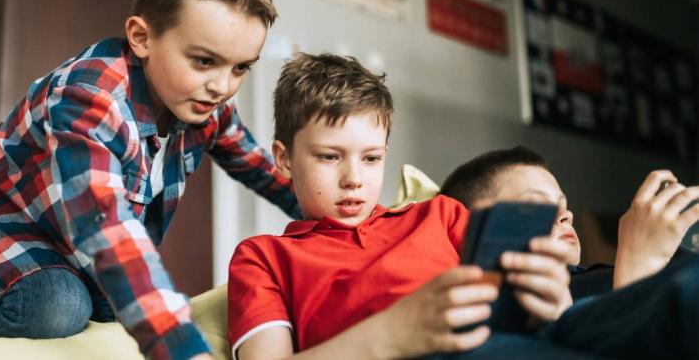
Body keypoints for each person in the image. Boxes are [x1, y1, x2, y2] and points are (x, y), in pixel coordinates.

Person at [0, 0, 300, 360]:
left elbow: (264, 170)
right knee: (59, 306)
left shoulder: (207, 105)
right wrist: (180, 349)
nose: (223, 86)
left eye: (240, 67)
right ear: (142, 38)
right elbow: (103, 226)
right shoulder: (89, 98)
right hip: (0, 218)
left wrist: (356, 217)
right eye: (204, 61)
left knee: (119, 307)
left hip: (73, 239)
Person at [228, 53, 593, 360]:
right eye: (329, 156)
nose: (353, 178)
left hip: (499, 345)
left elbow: (517, 308)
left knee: (643, 305)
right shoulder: (262, 258)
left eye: (370, 159)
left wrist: (553, 303)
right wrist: (391, 332)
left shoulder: (439, 214)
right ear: (284, 158)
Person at [440, 146, 699, 297]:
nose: (566, 214)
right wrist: (639, 267)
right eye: (538, 205)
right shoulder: (518, 316)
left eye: (563, 204)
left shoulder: (590, 278)